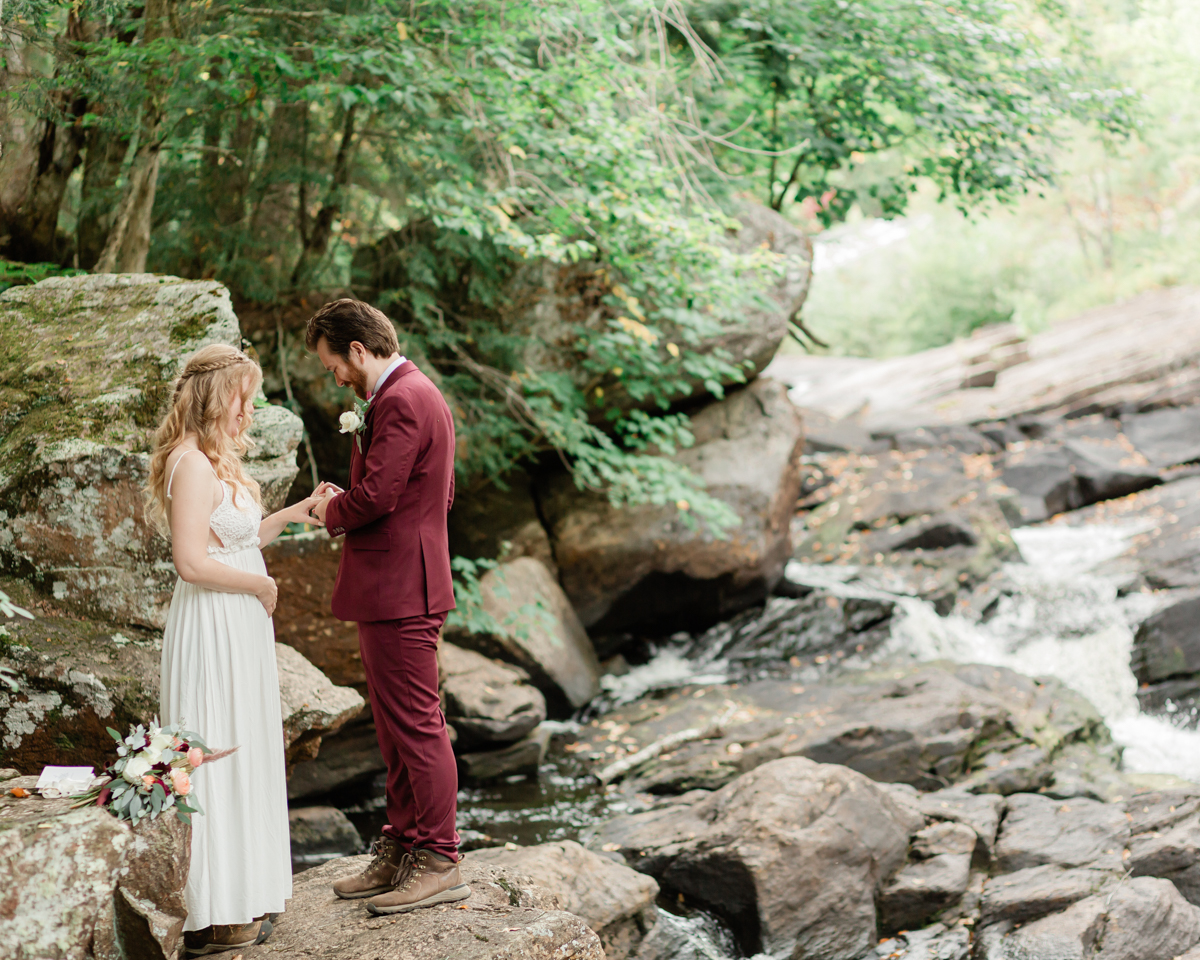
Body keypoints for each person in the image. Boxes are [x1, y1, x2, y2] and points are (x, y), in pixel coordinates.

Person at [146, 344, 326, 956]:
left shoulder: (214, 461)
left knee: (244, 747)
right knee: (215, 752)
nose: (249, 409)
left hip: (239, 623)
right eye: (241, 396)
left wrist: (297, 513)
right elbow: (192, 562)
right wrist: (259, 584)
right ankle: (213, 913)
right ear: (213, 396)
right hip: (214, 622)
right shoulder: (190, 464)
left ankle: (242, 897)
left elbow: (237, 538)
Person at [305, 298, 469, 916]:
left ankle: (439, 857)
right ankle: (402, 847)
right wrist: (361, 500)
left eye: (334, 366)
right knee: (395, 727)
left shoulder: (402, 398)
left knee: (418, 725)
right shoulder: (412, 393)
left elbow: (378, 496)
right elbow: (435, 490)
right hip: (398, 580)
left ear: (356, 349)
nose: (335, 379)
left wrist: (331, 510)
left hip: (403, 586)